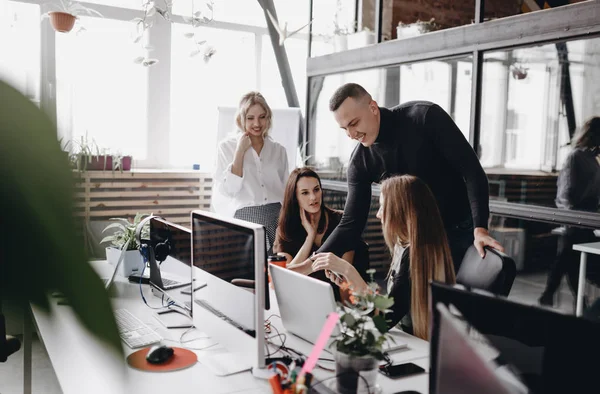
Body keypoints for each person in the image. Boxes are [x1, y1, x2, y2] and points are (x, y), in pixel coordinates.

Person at [317, 83, 503, 269]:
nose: (351, 135)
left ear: (373, 107)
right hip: (410, 239)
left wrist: (480, 229)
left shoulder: (425, 117)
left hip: (458, 228)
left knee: (451, 295)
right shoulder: (360, 161)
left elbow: (472, 172)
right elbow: (351, 223)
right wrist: (310, 263)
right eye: (344, 129)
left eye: (354, 123)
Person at [311, 175, 456, 340]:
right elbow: (392, 304)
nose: (378, 215)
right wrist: (350, 284)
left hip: (417, 346)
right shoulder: (404, 245)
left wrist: (348, 270)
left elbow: (384, 320)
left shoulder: (416, 255)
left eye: (382, 207)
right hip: (405, 336)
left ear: (400, 211)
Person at [212, 92, 289, 253]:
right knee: (247, 272)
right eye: (250, 118)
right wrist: (240, 151)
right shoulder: (227, 147)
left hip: (276, 219)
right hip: (244, 220)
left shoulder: (279, 150)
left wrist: (283, 224)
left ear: (268, 118)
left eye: (262, 117)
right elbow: (230, 190)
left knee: (273, 271)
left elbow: (285, 192)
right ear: (241, 119)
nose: (257, 123)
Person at [273, 167, 365, 298]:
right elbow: (286, 276)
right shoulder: (285, 229)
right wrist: (310, 237)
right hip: (300, 300)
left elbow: (345, 288)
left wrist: (341, 315)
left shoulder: (342, 223)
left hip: (335, 304)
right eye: (305, 193)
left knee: (331, 319)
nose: (313, 197)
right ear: (295, 197)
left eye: (316, 189)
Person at [539, 117, 600, 307]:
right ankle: (564, 296)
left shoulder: (592, 159)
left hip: (585, 215)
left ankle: (555, 295)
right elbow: (566, 191)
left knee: (569, 257)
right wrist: (572, 217)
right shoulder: (576, 157)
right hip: (576, 216)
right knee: (569, 256)